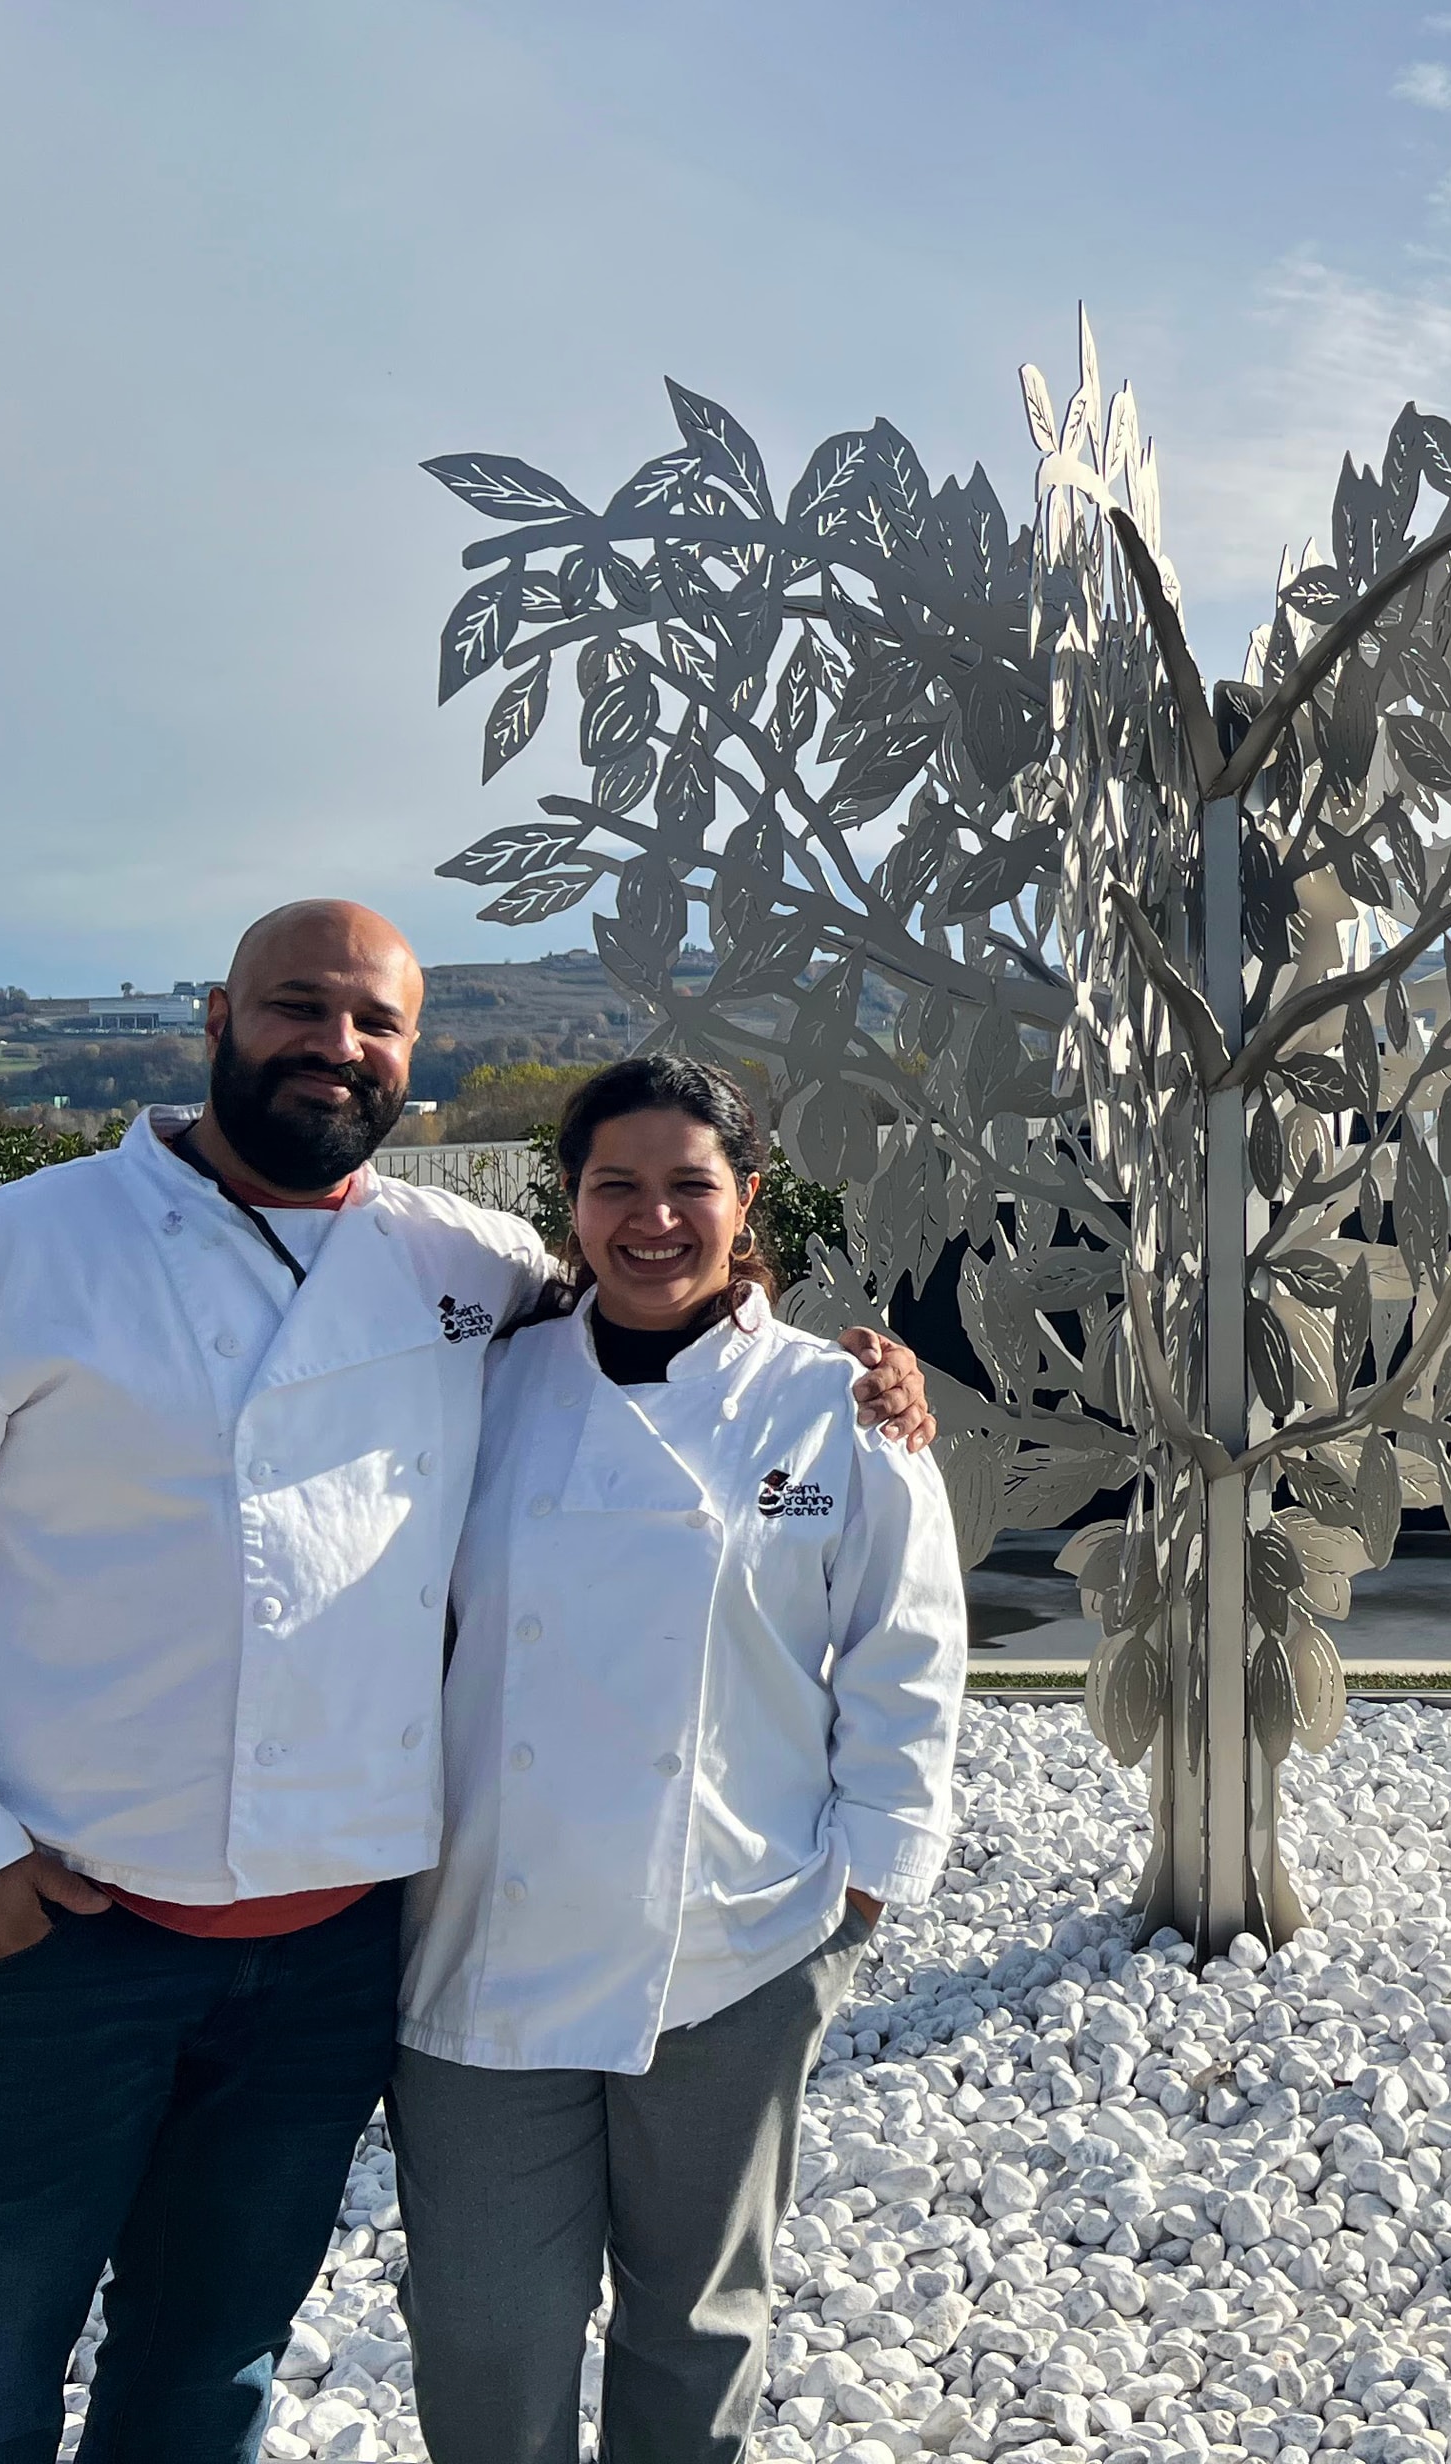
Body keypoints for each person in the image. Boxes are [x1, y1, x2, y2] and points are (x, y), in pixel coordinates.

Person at [0, 901, 934, 2464]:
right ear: (218, 1018)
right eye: (299, 1008)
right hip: (55, 1943)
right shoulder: (4, 1261)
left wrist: (855, 1382)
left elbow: (656, 1328)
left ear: (412, 1056)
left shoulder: (463, 1264)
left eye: (376, 1023)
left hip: (324, 1960)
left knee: (210, 2362)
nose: (337, 1046)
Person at [392, 1054, 965, 2463]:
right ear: (571, 1206)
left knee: (697, 2317)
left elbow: (907, 1659)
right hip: (483, 1948)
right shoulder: (483, 1385)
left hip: (738, 1938)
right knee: (481, 2324)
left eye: (688, 1186)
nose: (654, 1220)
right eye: (616, 1187)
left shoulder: (836, 1408)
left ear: (746, 1197)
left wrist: (862, 1896)